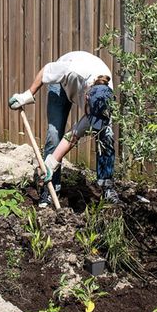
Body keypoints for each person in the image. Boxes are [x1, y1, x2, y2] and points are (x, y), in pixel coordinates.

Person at [9, 51, 117, 207]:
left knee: (105, 134)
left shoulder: (104, 101)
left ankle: (105, 186)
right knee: (54, 133)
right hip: (60, 85)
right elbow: (47, 70)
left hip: (87, 90)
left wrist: (52, 162)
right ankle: (50, 187)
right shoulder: (72, 71)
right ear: (86, 97)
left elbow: (73, 136)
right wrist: (27, 95)